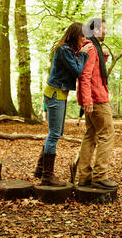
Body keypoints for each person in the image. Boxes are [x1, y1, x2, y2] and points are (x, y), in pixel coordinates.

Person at [34, 22, 93, 186]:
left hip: (58, 94)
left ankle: (40, 168)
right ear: (75, 35)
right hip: (55, 94)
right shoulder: (64, 50)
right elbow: (77, 71)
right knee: (54, 134)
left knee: (56, 133)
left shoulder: (68, 50)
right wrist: (84, 54)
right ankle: (47, 176)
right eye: (82, 36)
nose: (84, 40)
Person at [76, 18, 117, 190]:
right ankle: (100, 176)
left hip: (93, 97)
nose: (105, 32)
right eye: (103, 29)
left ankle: (84, 176)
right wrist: (87, 101)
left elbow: (94, 72)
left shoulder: (91, 47)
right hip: (97, 99)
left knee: (91, 135)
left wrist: (104, 59)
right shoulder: (91, 48)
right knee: (107, 135)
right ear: (95, 31)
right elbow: (85, 76)